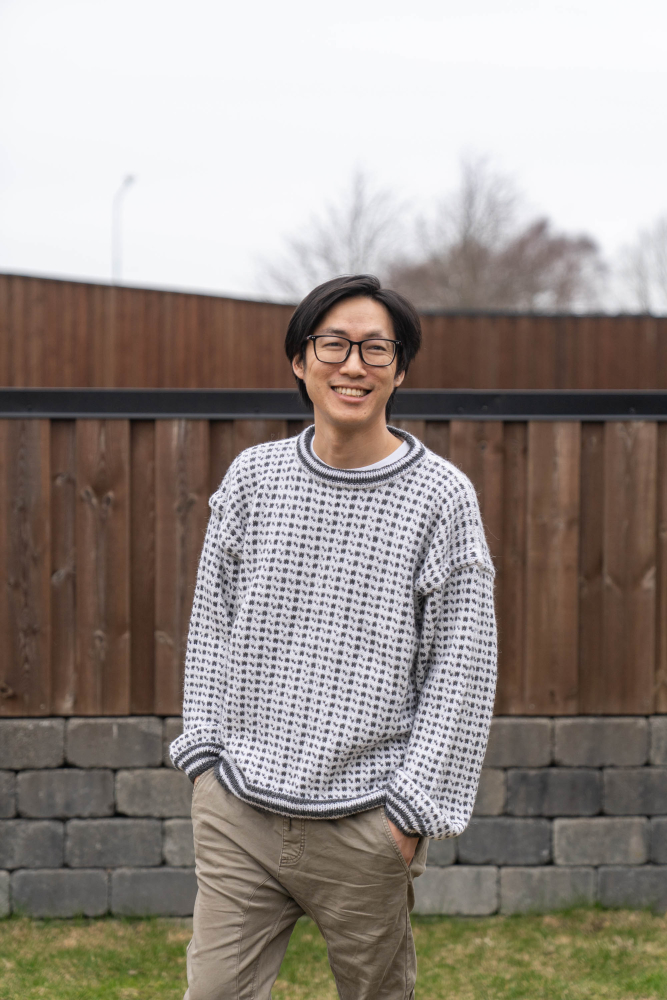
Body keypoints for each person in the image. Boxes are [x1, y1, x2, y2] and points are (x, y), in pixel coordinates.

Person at [170, 274, 497, 1000]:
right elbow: (211, 622)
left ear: (399, 370)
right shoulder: (253, 478)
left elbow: (463, 667)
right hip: (239, 808)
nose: (354, 364)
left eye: (376, 348)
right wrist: (204, 759)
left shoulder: (441, 498)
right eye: (334, 345)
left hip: (365, 823)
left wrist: (408, 813)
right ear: (299, 359)